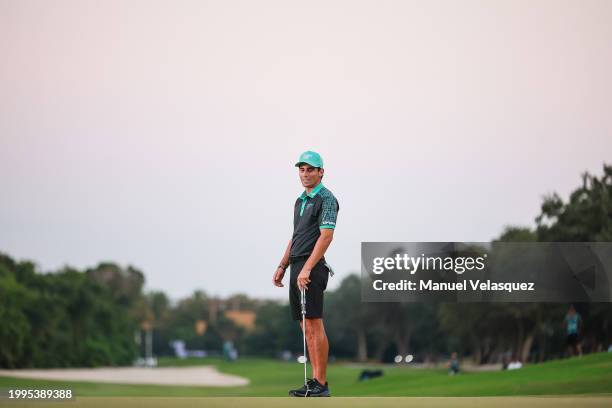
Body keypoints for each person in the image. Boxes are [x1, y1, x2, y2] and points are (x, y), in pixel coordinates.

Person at [273, 151, 339, 397]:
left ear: (321, 171)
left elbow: (326, 236)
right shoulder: (300, 201)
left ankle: (320, 382)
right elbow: (296, 236)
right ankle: (315, 382)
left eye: (310, 169)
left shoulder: (327, 199)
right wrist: (282, 265)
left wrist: (308, 268)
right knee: (305, 326)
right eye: (302, 169)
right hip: (297, 266)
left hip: (312, 267)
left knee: (313, 324)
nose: (305, 174)